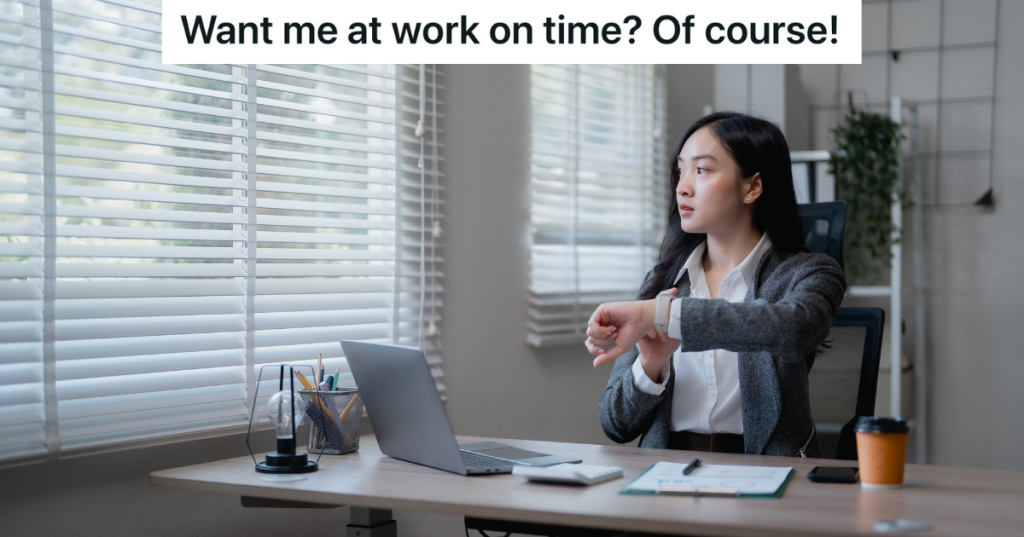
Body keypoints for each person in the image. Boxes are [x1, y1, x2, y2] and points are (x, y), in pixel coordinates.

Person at [587, 112, 846, 458]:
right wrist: (650, 366)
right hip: (667, 472)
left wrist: (664, 315)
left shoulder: (810, 273)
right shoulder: (662, 281)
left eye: (702, 170)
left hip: (766, 473)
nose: (683, 186)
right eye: (681, 170)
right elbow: (615, 424)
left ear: (752, 186)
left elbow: (794, 329)